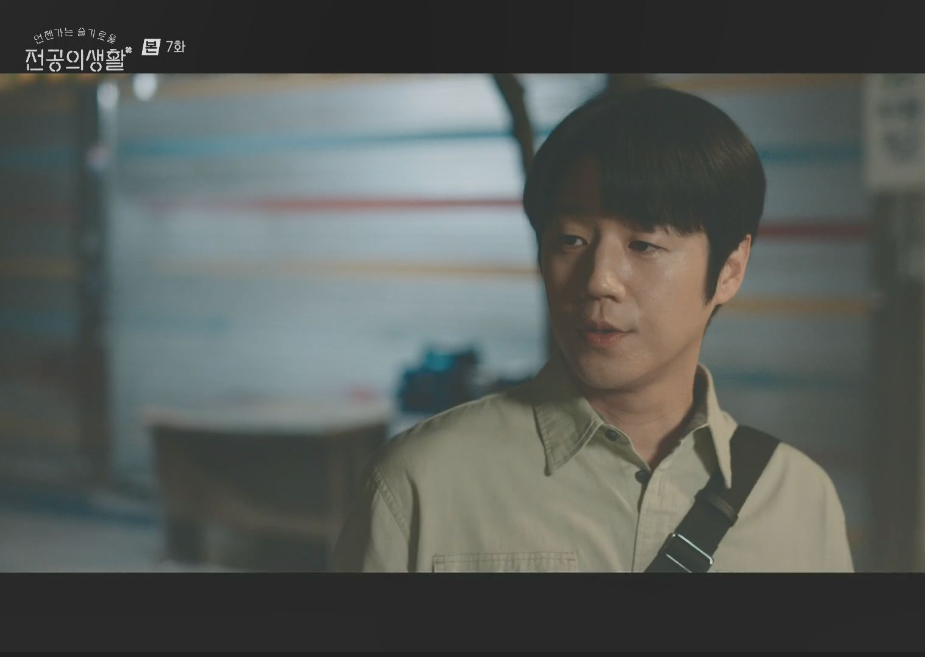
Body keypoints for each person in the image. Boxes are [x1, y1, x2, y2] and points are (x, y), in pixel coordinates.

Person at [332, 86, 854, 572]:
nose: (599, 280)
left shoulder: (799, 501)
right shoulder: (420, 485)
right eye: (571, 240)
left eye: (643, 245)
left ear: (730, 270)